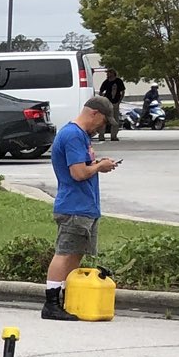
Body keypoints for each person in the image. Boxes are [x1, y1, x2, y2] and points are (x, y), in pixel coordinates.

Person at [42, 95, 122, 320]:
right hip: (74, 206)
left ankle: (67, 298)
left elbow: (84, 167)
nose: (102, 127)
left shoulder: (81, 136)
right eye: (104, 121)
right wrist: (99, 166)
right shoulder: (73, 135)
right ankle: (51, 302)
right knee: (65, 253)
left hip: (85, 206)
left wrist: (98, 165)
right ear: (94, 113)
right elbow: (78, 173)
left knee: (75, 254)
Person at [99, 67, 126, 141]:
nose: (107, 74)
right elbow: (101, 91)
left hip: (115, 103)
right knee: (104, 120)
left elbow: (122, 91)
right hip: (107, 103)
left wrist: (119, 101)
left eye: (109, 73)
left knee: (115, 120)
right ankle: (101, 135)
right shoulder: (106, 82)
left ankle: (113, 136)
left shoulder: (118, 81)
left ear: (113, 73)